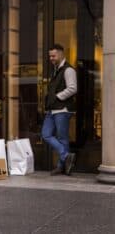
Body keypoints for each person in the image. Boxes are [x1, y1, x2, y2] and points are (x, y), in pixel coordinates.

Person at [42, 44, 77, 176]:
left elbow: (73, 88)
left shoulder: (68, 70)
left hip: (62, 109)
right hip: (52, 109)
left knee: (62, 138)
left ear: (61, 54)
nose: (51, 58)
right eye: (50, 56)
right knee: (46, 134)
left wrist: (57, 97)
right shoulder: (56, 70)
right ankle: (66, 155)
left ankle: (62, 167)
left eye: (53, 56)